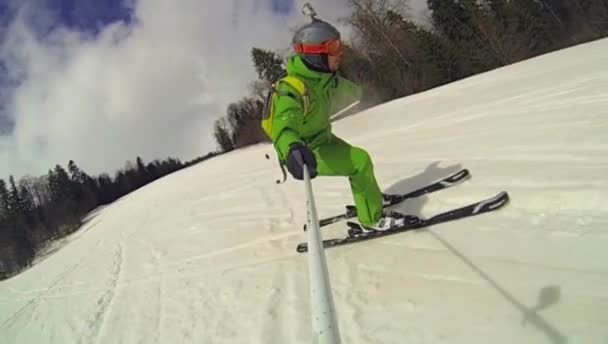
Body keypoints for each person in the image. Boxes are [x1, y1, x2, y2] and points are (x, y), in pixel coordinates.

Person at [267, 18, 405, 231]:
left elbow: (354, 93)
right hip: (305, 152)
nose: (339, 52)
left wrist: (373, 88)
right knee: (359, 162)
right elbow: (283, 127)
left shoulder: (325, 80)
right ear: (315, 54)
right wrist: (293, 148)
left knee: (361, 164)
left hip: (323, 138)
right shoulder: (291, 89)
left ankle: (370, 198)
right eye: (333, 47)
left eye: (338, 45)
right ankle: (371, 219)